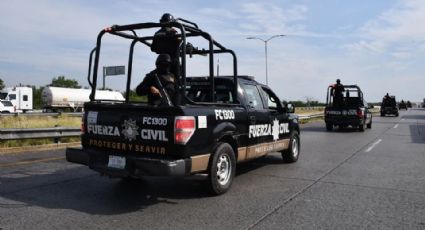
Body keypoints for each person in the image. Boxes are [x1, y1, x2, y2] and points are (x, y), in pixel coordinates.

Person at [151, 13, 181, 77]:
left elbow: (153, 48)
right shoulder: (173, 32)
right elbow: (180, 44)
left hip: (161, 62)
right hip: (173, 61)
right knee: (177, 80)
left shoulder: (157, 33)